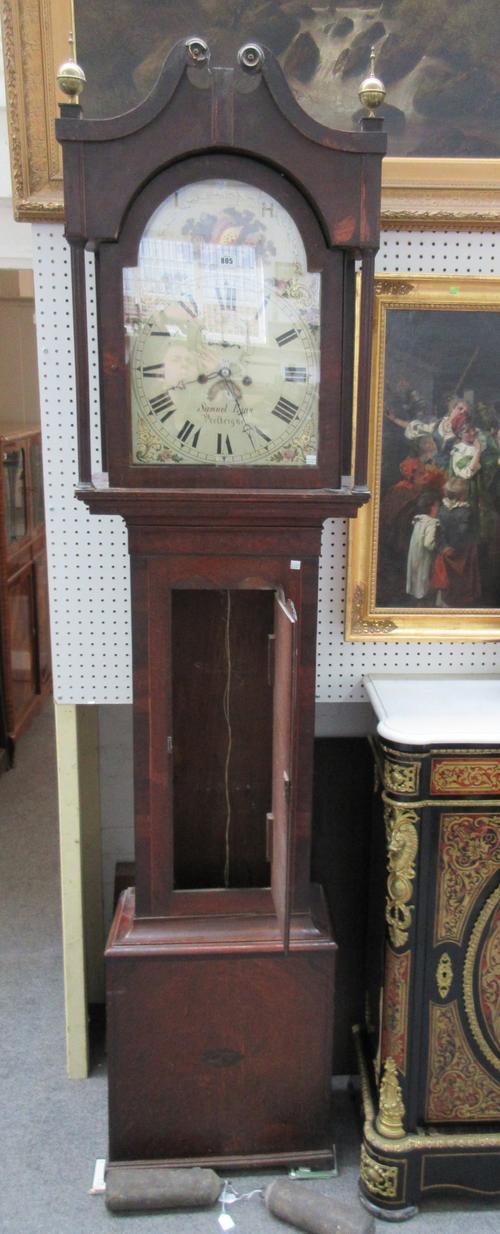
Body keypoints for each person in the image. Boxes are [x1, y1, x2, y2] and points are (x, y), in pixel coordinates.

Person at [431, 477, 481, 607]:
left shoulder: (441, 510)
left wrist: (443, 547)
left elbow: (437, 532)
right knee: (460, 581)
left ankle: (447, 605)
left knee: (448, 580)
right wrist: (454, 548)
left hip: (446, 551)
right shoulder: (467, 512)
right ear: (463, 495)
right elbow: (465, 533)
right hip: (462, 553)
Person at [406, 491, 440, 603]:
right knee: (423, 578)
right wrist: (438, 546)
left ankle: (417, 599)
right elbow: (428, 544)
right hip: (424, 557)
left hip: (415, 555)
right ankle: (423, 601)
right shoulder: (431, 523)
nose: (438, 509)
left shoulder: (419, 520)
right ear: (431, 507)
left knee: (416, 577)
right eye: (437, 506)